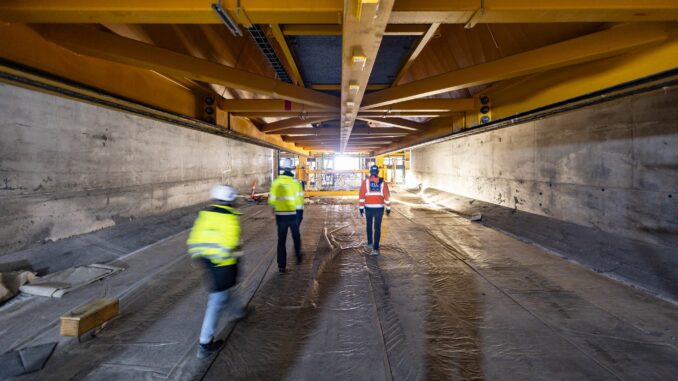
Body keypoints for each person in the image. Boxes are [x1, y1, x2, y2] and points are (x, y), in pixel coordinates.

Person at [187, 185, 246, 359]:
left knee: (226, 290)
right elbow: (230, 245)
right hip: (223, 263)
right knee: (217, 299)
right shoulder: (230, 219)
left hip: (206, 261)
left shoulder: (205, 215)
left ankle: (238, 312)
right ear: (231, 200)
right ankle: (205, 343)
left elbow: (194, 240)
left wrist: (203, 258)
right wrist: (233, 263)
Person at [269, 158, 304, 273]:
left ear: (282, 168)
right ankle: (298, 256)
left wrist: (275, 209)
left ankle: (281, 266)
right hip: (293, 215)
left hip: (280, 216)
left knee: (281, 240)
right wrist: (300, 216)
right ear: (293, 168)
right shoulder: (296, 183)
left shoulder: (276, 182)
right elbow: (299, 201)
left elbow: (272, 201)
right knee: (296, 236)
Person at [359, 165, 391, 256]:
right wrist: (388, 208)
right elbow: (387, 196)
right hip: (379, 209)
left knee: (369, 225)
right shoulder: (383, 183)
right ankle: (376, 249)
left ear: (370, 172)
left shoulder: (365, 182)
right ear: (377, 172)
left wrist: (361, 208)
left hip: (368, 208)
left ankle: (369, 243)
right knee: (377, 228)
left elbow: (361, 196)